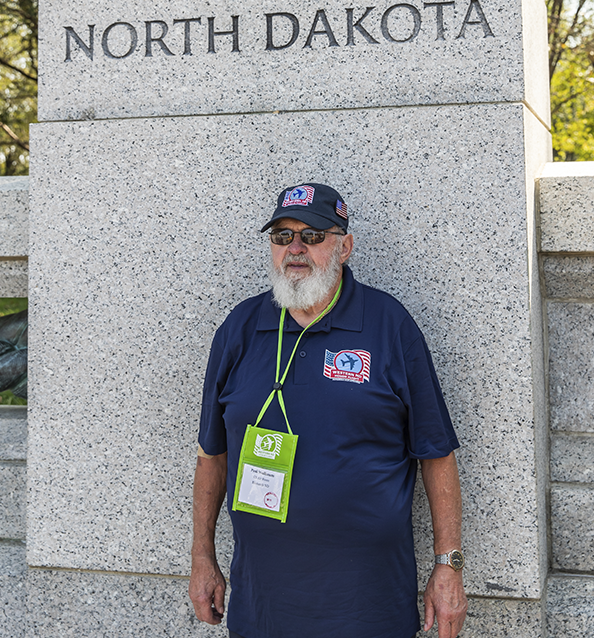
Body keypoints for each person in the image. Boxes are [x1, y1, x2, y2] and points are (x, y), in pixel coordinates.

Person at [189, 183, 468, 638]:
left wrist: (448, 566)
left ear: (345, 246)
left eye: (313, 235)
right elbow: (211, 454)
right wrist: (203, 556)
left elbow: (436, 453)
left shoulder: (388, 324)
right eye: (282, 237)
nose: (295, 249)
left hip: (367, 604)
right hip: (263, 606)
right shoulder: (239, 328)